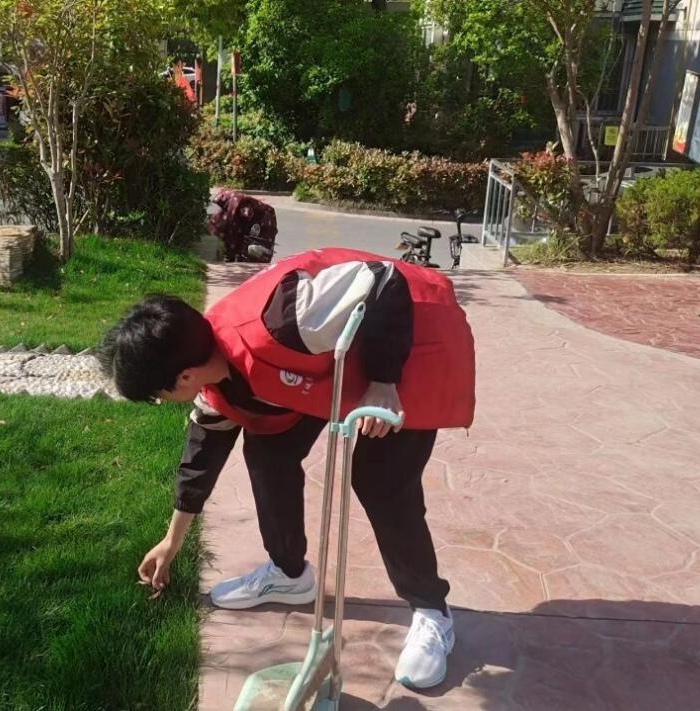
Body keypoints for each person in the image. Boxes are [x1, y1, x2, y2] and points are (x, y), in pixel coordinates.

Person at [98, 248, 475, 689]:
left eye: (158, 396)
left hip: (409, 339)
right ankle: (290, 574)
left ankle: (432, 611)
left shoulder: (288, 318)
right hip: (333, 357)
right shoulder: (212, 374)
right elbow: (200, 460)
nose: (163, 403)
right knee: (268, 449)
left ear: (183, 378)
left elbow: (384, 279)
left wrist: (382, 380)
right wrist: (171, 541)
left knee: (380, 481)